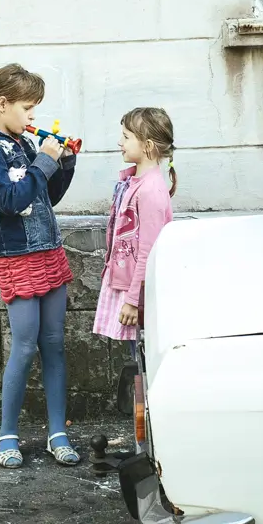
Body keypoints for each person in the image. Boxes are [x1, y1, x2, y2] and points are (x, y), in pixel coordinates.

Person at [0, 63, 80, 469]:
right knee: (24, 347)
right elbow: (10, 199)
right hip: (18, 257)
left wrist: (65, 162)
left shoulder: (22, 142)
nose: (32, 117)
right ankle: (8, 434)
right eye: (27, 108)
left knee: (54, 345)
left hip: (49, 251)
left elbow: (46, 198)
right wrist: (43, 160)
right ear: (1, 104)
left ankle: (58, 431)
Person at [92, 108, 176, 347]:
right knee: (135, 356)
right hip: (128, 285)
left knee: (143, 357)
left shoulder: (150, 191)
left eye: (127, 137)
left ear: (147, 145)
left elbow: (148, 253)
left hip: (137, 292)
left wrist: (132, 301)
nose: (121, 142)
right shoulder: (133, 183)